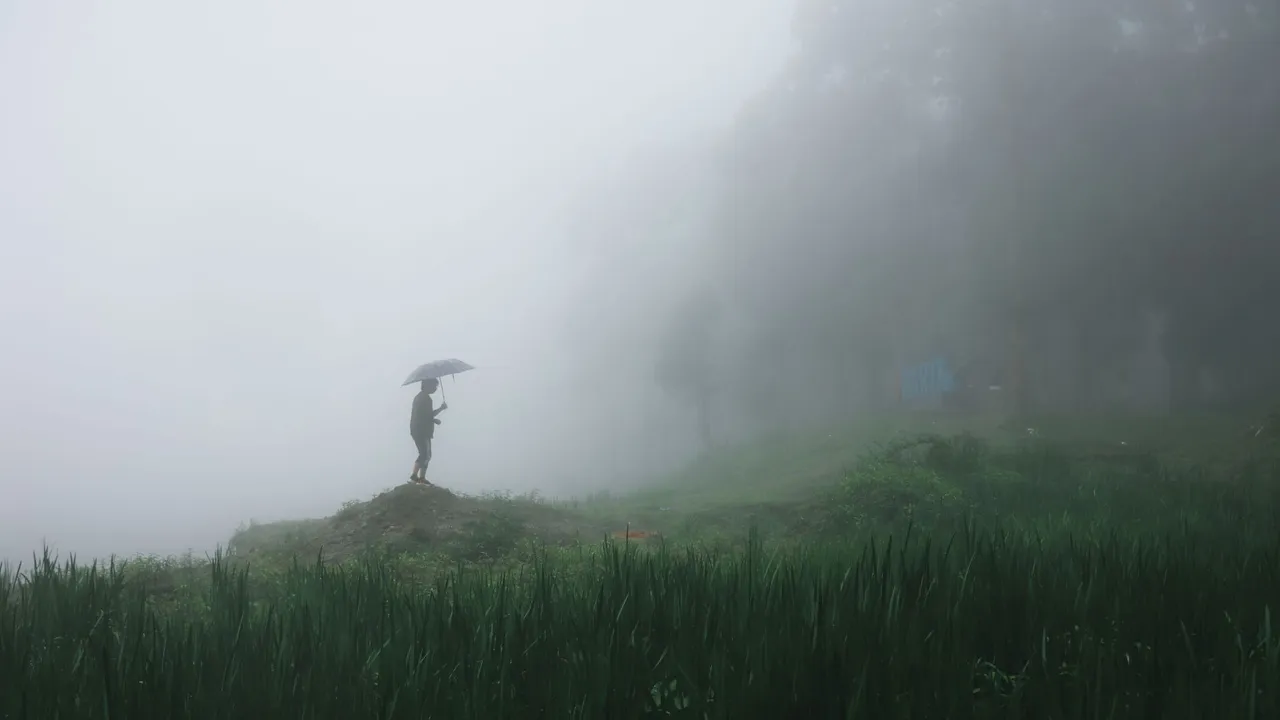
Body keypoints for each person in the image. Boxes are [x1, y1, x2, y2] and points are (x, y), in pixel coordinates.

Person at [409, 378, 447, 484]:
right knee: (425, 454)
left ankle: (421, 478)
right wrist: (440, 410)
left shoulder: (420, 397)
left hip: (417, 429)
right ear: (428, 386)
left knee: (426, 454)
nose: (435, 388)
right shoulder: (425, 399)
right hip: (421, 430)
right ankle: (415, 476)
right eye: (434, 386)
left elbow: (424, 414)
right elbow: (427, 415)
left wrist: (435, 415)